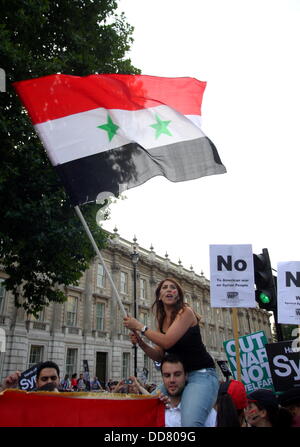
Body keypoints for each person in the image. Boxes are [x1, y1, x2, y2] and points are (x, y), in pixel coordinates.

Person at [124, 277, 219, 426]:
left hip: (202, 374)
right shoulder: (162, 321)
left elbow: (167, 341)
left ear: (178, 295)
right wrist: (141, 343)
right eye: (165, 287)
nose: (169, 289)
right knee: (147, 408)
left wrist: (140, 327)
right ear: (159, 296)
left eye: (173, 288)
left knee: (190, 424)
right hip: (179, 376)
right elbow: (159, 355)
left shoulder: (185, 312)